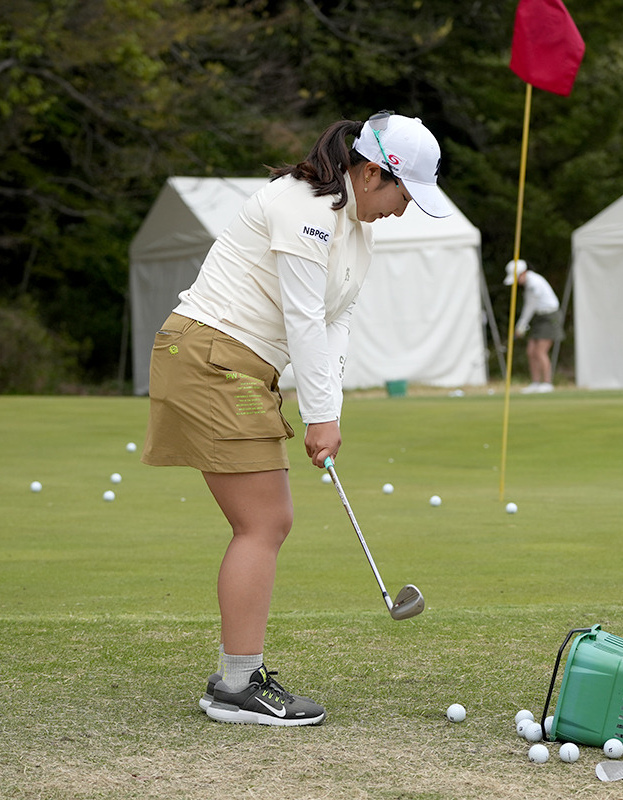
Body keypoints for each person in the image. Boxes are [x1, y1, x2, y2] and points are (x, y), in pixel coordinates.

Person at [142, 111, 451, 726]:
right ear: (370, 173)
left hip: (239, 365)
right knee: (264, 521)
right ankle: (235, 687)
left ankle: (236, 678)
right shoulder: (303, 205)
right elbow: (304, 315)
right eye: (403, 194)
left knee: (267, 520)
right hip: (209, 355)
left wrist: (328, 411)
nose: (404, 209)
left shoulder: (356, 231)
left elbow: (337, 322)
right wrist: (318, 416)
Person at [504, 259, 561, 393]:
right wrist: (522, 325)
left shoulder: (534, 283)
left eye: (517, 277)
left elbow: (530, 306)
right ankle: (535, 383)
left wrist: (521, 326)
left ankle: (547, 384)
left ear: (523, 273)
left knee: (540, 351)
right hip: (539, 317)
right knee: (531, 351)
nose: (517, 281)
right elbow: (529, 307)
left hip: (549, 317)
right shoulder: (529, 283)